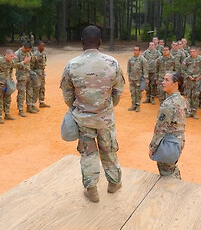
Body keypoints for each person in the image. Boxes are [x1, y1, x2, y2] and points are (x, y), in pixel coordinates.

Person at [60, 25, 124, 203]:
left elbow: (67, 95)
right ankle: (114, 183)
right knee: (109, 150)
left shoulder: (72, 65)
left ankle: (92, 190)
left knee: (88, 154)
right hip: (105, 118)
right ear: (100, 42)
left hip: (83, 119)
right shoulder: (112, 63)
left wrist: (79, 108)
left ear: (82, 42)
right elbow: (118, 91)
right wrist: (107, 107)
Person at [148, 72, 187, 179]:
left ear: (176, 83)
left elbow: (160, 129)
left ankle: (174, 192)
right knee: (171, 168)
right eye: (163, 79)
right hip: (179, 141)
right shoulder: (182, 100)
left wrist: (152, 147)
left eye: (166, 80)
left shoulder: (168, 104)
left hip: (168, 143)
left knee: (167, 174)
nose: (163, 82)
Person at [181, 47, 201, 119]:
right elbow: (182, 69)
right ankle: (188, 112)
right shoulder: (186, 60)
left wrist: (200, 76)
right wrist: (188, 76)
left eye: (193, 51)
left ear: (197, 52)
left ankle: (194, 112)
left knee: (195, 96)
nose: (192, 53)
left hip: (197, 80)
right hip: (189, 81)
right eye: (191, 52)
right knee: (188, 96)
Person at [14, 42, 34, 116]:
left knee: (30, 91)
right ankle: (21, 109)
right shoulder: (17, 54)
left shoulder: (28, 52)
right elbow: (14, 64)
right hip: (21, 76)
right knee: (21, 93)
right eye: (28, 50)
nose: (29, 51)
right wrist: (23, 62)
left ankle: (29, 106)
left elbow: (32, 60)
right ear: (24, 47)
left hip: (28, 74)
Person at [127, 46, 148, 112]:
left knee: (138, 93)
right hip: (132, 79)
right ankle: (133, 105)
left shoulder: (142, 59)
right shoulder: (130, 59)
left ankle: (138, 106)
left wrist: (146, 78)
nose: (135, 51)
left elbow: (145, 69)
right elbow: (128, 68)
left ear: (139, 51)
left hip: (139, 79)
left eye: (137, 50)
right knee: (133, 92)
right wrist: (128, 76)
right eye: (134, 50)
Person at [31, 41, 51, 108]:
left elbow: (44, 62)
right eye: (42, 46)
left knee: (42, 87)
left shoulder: (44, 54)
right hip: (37, 72)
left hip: (42, 72)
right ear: (38, 46)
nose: (43, 47)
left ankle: (41, 102)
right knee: (36, 88)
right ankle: (33, 104)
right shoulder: (35, 54)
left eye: (44, 46)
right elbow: (32, 64)